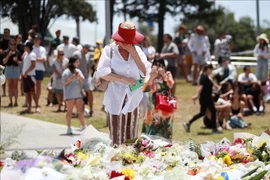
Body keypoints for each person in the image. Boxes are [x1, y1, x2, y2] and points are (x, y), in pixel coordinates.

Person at [96, 21, 151, 145]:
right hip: (116, 97)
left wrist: (133, 53)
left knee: (131, 136)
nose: (128, 43)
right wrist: (124, 79)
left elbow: (146, 72)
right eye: (125, 40)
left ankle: (131, 162)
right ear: (118, 39)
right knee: (116, 137)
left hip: (133, 97)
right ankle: (116, 162)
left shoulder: (137, 50)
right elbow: (102, 72)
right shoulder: (109, 50)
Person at [142, 58, 175, 141]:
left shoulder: (167, 74)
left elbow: (170, 85)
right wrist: (152, 77)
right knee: (150, 130)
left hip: (165, 107)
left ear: (164, 67)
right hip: (152, 107)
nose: (157, 67)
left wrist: (163, 75)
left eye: (160, 65)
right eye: (155, 65)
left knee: (165, 129)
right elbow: (144, 89)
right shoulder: (149, 75)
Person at [183, 64, 222, 134]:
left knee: (202, 113)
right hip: (206, 98)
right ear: (208, 69)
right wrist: (196, 95)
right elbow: (201, 86)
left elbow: (211, 82)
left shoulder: (207, 76)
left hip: (207, 98)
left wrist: (217, 86)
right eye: (211, 69)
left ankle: (188, 123)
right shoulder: (204, 76)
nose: (212, 71)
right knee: (213, 111)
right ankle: (214, 129)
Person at [62, 57, 87, 135]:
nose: (78, 63)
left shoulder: (78, 71)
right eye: (77, 62)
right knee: (69, 111)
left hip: (78, 94)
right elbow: (64, 83)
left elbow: (83, 80)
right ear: (73, 63)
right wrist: (72, 77)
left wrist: (78, 76)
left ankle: (84, 126)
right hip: (69, 95)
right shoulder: (66, 72)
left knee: (80, 111)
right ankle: (69, 128)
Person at [73, 44, 94, 116]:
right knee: (78, 95)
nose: (88, 51)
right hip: (78, 77)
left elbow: (88, 65)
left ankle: (91, 110)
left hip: (86, 77)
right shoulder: (76, 54)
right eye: (88, 49)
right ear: (84, 48)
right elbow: (72, 65)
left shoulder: (87, 55)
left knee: (90, 91)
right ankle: (79, 111)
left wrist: (89, 75)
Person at [2, 39, 22, 107]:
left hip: (15, 69)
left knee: (15, 86)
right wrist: (8, 55)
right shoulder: (6, 52)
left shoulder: (17, 52)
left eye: (14, 44)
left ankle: (16, 102)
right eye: (11, 44)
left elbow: (20, 63)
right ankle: (11, 101)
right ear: (9, 45)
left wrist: (16, 61)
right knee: (10, 85)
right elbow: (4, 62)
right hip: (9, 68)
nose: (12, 45)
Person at [22, 42, 39, 113]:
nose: (24, 47)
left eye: (26, 46)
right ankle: (29, 106)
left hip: (30, 76)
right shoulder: (26, 55)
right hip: (25, 76)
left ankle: (37, 106)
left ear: (29, 47)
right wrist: (23, 73)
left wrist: (26, 72)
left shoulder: (32, 55)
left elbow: (33, 65)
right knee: (27, 92)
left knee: (33, 92)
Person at [32, 33, 47, 110]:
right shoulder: (31, 48)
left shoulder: (42, 49)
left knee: (38, 86)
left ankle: (37, 101)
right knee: (32, 86)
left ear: (40, 41)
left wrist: (34, 59)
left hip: (39, 69)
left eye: (37, 39)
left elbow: (43, 59)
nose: (36, 41)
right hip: (32, 69)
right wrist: (37, 58)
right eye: (35, 39)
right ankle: (32, 101)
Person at [0, 28, 11, 97]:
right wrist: (7, 51)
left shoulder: (10, 41)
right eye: (5, 32)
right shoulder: (1, 41)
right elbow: (0, 51)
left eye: (7, 32)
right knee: (3, 77)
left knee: (10, 78)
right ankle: (4, 92)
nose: (6, 33)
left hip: (10, 62)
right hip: (2, 62)